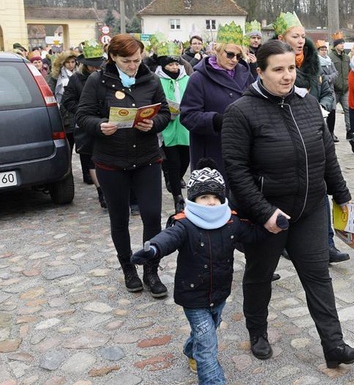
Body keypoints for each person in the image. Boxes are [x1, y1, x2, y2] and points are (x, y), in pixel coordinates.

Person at [222, 40, 354, 368]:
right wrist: (264, 212)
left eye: (291, 68)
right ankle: (257, 332)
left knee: (318, 276)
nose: (287, 76)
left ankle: (334, 346)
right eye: (278, 70)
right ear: (260, 72)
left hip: (311, 207)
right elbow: (236, 172)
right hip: (268, 215)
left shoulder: (307, 102)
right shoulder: (241, 112)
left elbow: (327, 155)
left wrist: (341, 195)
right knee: (260, 275)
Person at [131, 158, 261, 385]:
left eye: (215, 198)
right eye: (204, 197)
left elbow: (252, 234)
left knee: (208, 330)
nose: (211, 202)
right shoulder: (185, 223)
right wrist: (152, 249)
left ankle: (191, 351)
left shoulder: (231, 221)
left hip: (220, 292)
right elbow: (167, 238)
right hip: (192, 295)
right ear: (193, 200)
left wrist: (276, 228)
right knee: (208, 341)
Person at [75, 34, 171, 297]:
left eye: (137, 60)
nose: (133, 65)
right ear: (113, 58)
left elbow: (165, 112)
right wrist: (100, 126)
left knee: (152, 216)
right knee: (120, 219)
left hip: (147, 158)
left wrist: (154, 124)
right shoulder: (98, 81)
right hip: (111, 161)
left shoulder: (150, 78)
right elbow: (82, 116)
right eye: (127, 61)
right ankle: (128, 267)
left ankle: (151, 270)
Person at [273, 12, 347, 263]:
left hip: (315, 133)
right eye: (296, 36)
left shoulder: (315, 63)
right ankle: (284, 241)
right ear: (282, 37)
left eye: (304, 36)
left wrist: (321, 107)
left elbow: (326, 91)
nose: (301, 40)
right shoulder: (270, 64)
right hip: (285, 139)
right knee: (288, 192)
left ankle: (327, 245)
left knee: (321, 188)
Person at [180, 24, 254, 176]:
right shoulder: (198, 78)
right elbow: (188, 116)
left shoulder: (246, 75)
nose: (234, 60)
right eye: (230, 54)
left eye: (239, 56)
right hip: (212, 153)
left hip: (242, 150)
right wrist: (215, 120)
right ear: (217, 50)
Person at [62, 43, 106, 206]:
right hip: (86, 125)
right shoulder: (76, 79)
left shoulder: (106, 75)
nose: (95, 69)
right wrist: (82, 110)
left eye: (97, 65)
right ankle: (101, 191)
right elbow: (67, 100)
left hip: (105, 122)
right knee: (90, 159)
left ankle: (109, 189)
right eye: (91, 66)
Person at [154, 41, 191, 213]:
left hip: (184, 126)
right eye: (170, 64)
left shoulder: (187, 79)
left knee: (185, 160)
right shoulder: (156, 81)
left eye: (176, 63)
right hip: (167, 127)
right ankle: (178, 197)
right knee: (174, 162)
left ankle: (172, 178)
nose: (175, 67)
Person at [47, 50, 79, 157]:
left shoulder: (79, 74)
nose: (71, 65)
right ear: (63, 63)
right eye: (68, 62)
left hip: (78, 112)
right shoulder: (55, 77)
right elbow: (50, 93)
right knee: (67, 147)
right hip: (64, 114)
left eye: (73, 62)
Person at [329, 32, 352, 140]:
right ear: (335, 45)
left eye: (343, 43)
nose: (342, 45)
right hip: (334, 89)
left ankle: (350, 131)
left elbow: (350, 71)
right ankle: (330, 133)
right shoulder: (330, 57)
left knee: (348, 110)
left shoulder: (347, 58)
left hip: (345, 89)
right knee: (331, 112)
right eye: (340, 44)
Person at [317, 40, 339, 141]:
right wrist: (327, 78)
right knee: (324, 112)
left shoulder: (329, 61)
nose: (324, 51)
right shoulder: (317, 62)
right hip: (322, 89)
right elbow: (320, 75)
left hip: (331, 89)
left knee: (333, 113)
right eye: (322, 49)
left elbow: (336, 73)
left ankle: (331, 132)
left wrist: (330, 78)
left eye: (325, 49)